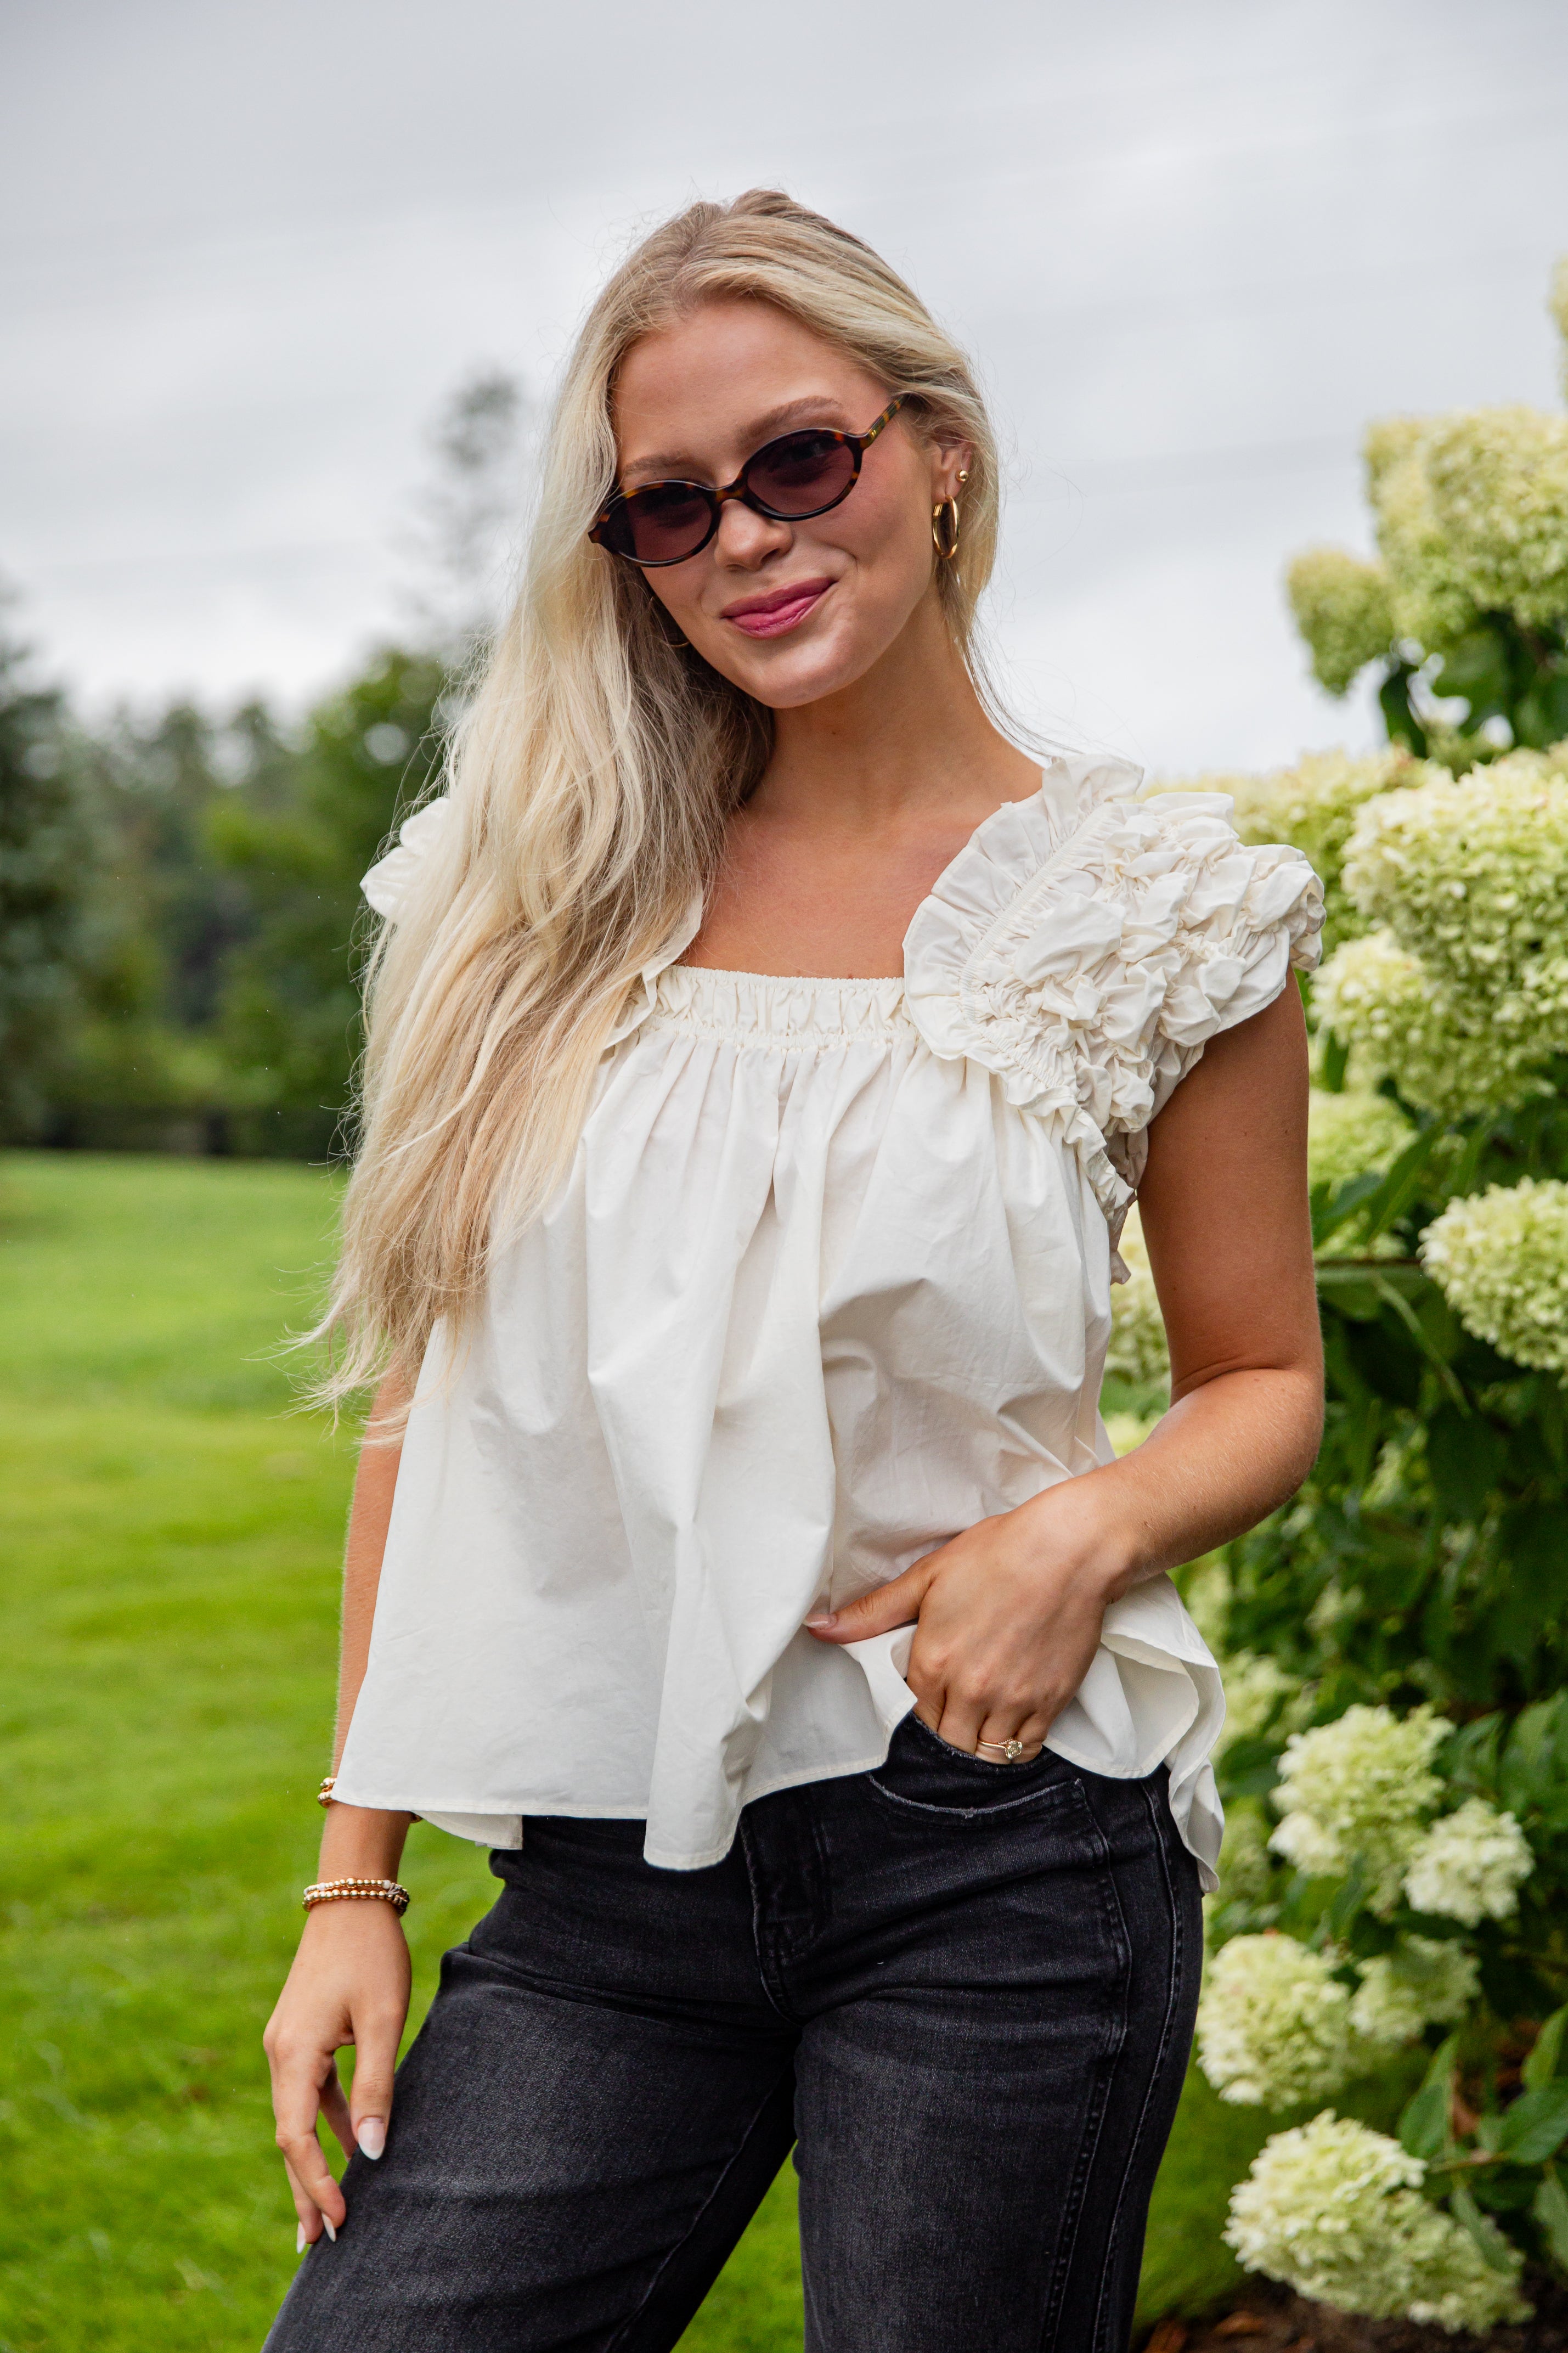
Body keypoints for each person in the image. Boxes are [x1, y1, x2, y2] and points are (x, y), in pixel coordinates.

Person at [262, 189, 1324, 2353]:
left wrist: (1079, 1534)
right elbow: (427, 1407)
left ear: (937, 452)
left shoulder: (1152, 902)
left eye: (798, 460)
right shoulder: (530, 891)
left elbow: (1263, 1376)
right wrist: (349, 1880)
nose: (745, 535)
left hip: (996, 1857)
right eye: (668, 506)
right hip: (595, 1885)